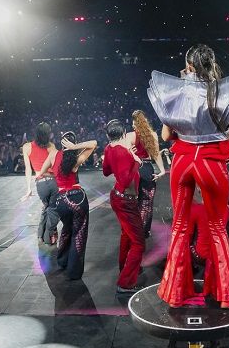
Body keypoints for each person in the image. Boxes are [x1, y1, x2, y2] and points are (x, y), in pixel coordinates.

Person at [148, 43, 229, 308]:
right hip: (211, 163)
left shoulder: (178, 95)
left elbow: (166, 136)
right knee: (216, 228)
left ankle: (175, 293)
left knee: (180, 227)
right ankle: (224, 295)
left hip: (182, 161)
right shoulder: (222, 94)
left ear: (188, 66)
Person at [36, 131, 97, 280]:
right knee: (79, 234)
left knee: (66, 230)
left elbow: (41, 173)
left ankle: (62, 261)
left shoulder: (53, 155)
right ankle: (73, 272)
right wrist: (75, 146)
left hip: (62, 200)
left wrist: (56, 175)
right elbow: (93, 143)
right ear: (72, 143)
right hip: (78, 199)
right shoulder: (75, 159)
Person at [103, 119, 145, 293]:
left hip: (119, 197)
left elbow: (106, 171)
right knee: (139, 243)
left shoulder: (109, 149)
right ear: (124, 132)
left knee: (127, 235)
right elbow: (126, 179)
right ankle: (125, 282)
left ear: (108, 135)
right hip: (125, 201)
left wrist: (128, 158)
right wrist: (135, 161)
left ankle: (125, 268)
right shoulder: (122, 152)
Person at [127, 110, 166, 237]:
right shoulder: (153, 135)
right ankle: (143, 231)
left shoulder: (129, 136)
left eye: (134, 124)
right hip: (147, 169)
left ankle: (133, 231)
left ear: (136, 124)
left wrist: (130, 152)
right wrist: (162, 170)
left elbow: (123, 155)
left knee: (133, 201)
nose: (133, 126)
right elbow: (155, 154)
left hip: (134, 168)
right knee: (146, 202)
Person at [20, 122, 61, 245]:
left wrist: (28, 188)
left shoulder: (27, 147)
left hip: (40, 184)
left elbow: (28, 169)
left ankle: (40, 234)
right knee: (53, 209)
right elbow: (56, 167)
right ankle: (49, 237)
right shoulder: (51, 146)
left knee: (46, 207)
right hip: (53, 182)